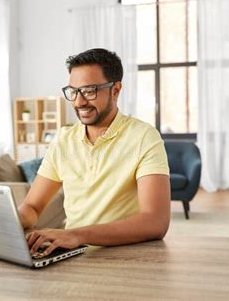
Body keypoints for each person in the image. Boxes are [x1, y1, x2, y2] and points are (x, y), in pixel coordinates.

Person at [18, 48, 170, 256]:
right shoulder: (63, 140)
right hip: (72, 255)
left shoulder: (144, 137)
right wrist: (10, 222)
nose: (79, 102)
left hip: (125, 256)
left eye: (89, 91)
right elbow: (33, 206)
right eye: (73, 91)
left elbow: (155, 221)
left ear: (115, 90)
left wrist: (76, 235)